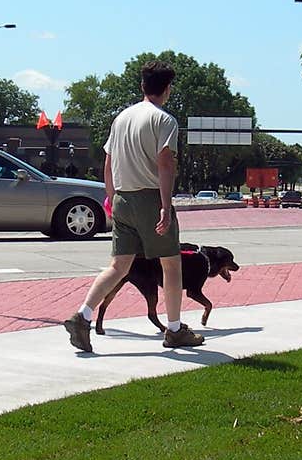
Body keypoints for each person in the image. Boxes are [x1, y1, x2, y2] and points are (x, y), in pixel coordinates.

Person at [63, 59, 205, 353]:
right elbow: (165, 163)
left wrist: (111, 197)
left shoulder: (121, 118)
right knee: (171, 263)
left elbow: (108, 161)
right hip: (149, 198)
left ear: (142, 85)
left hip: (121, 199)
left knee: (119, 266)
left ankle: (83, 316)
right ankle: (175, 330)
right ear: (167, 89)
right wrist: (166, 205)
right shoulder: (164, 120)